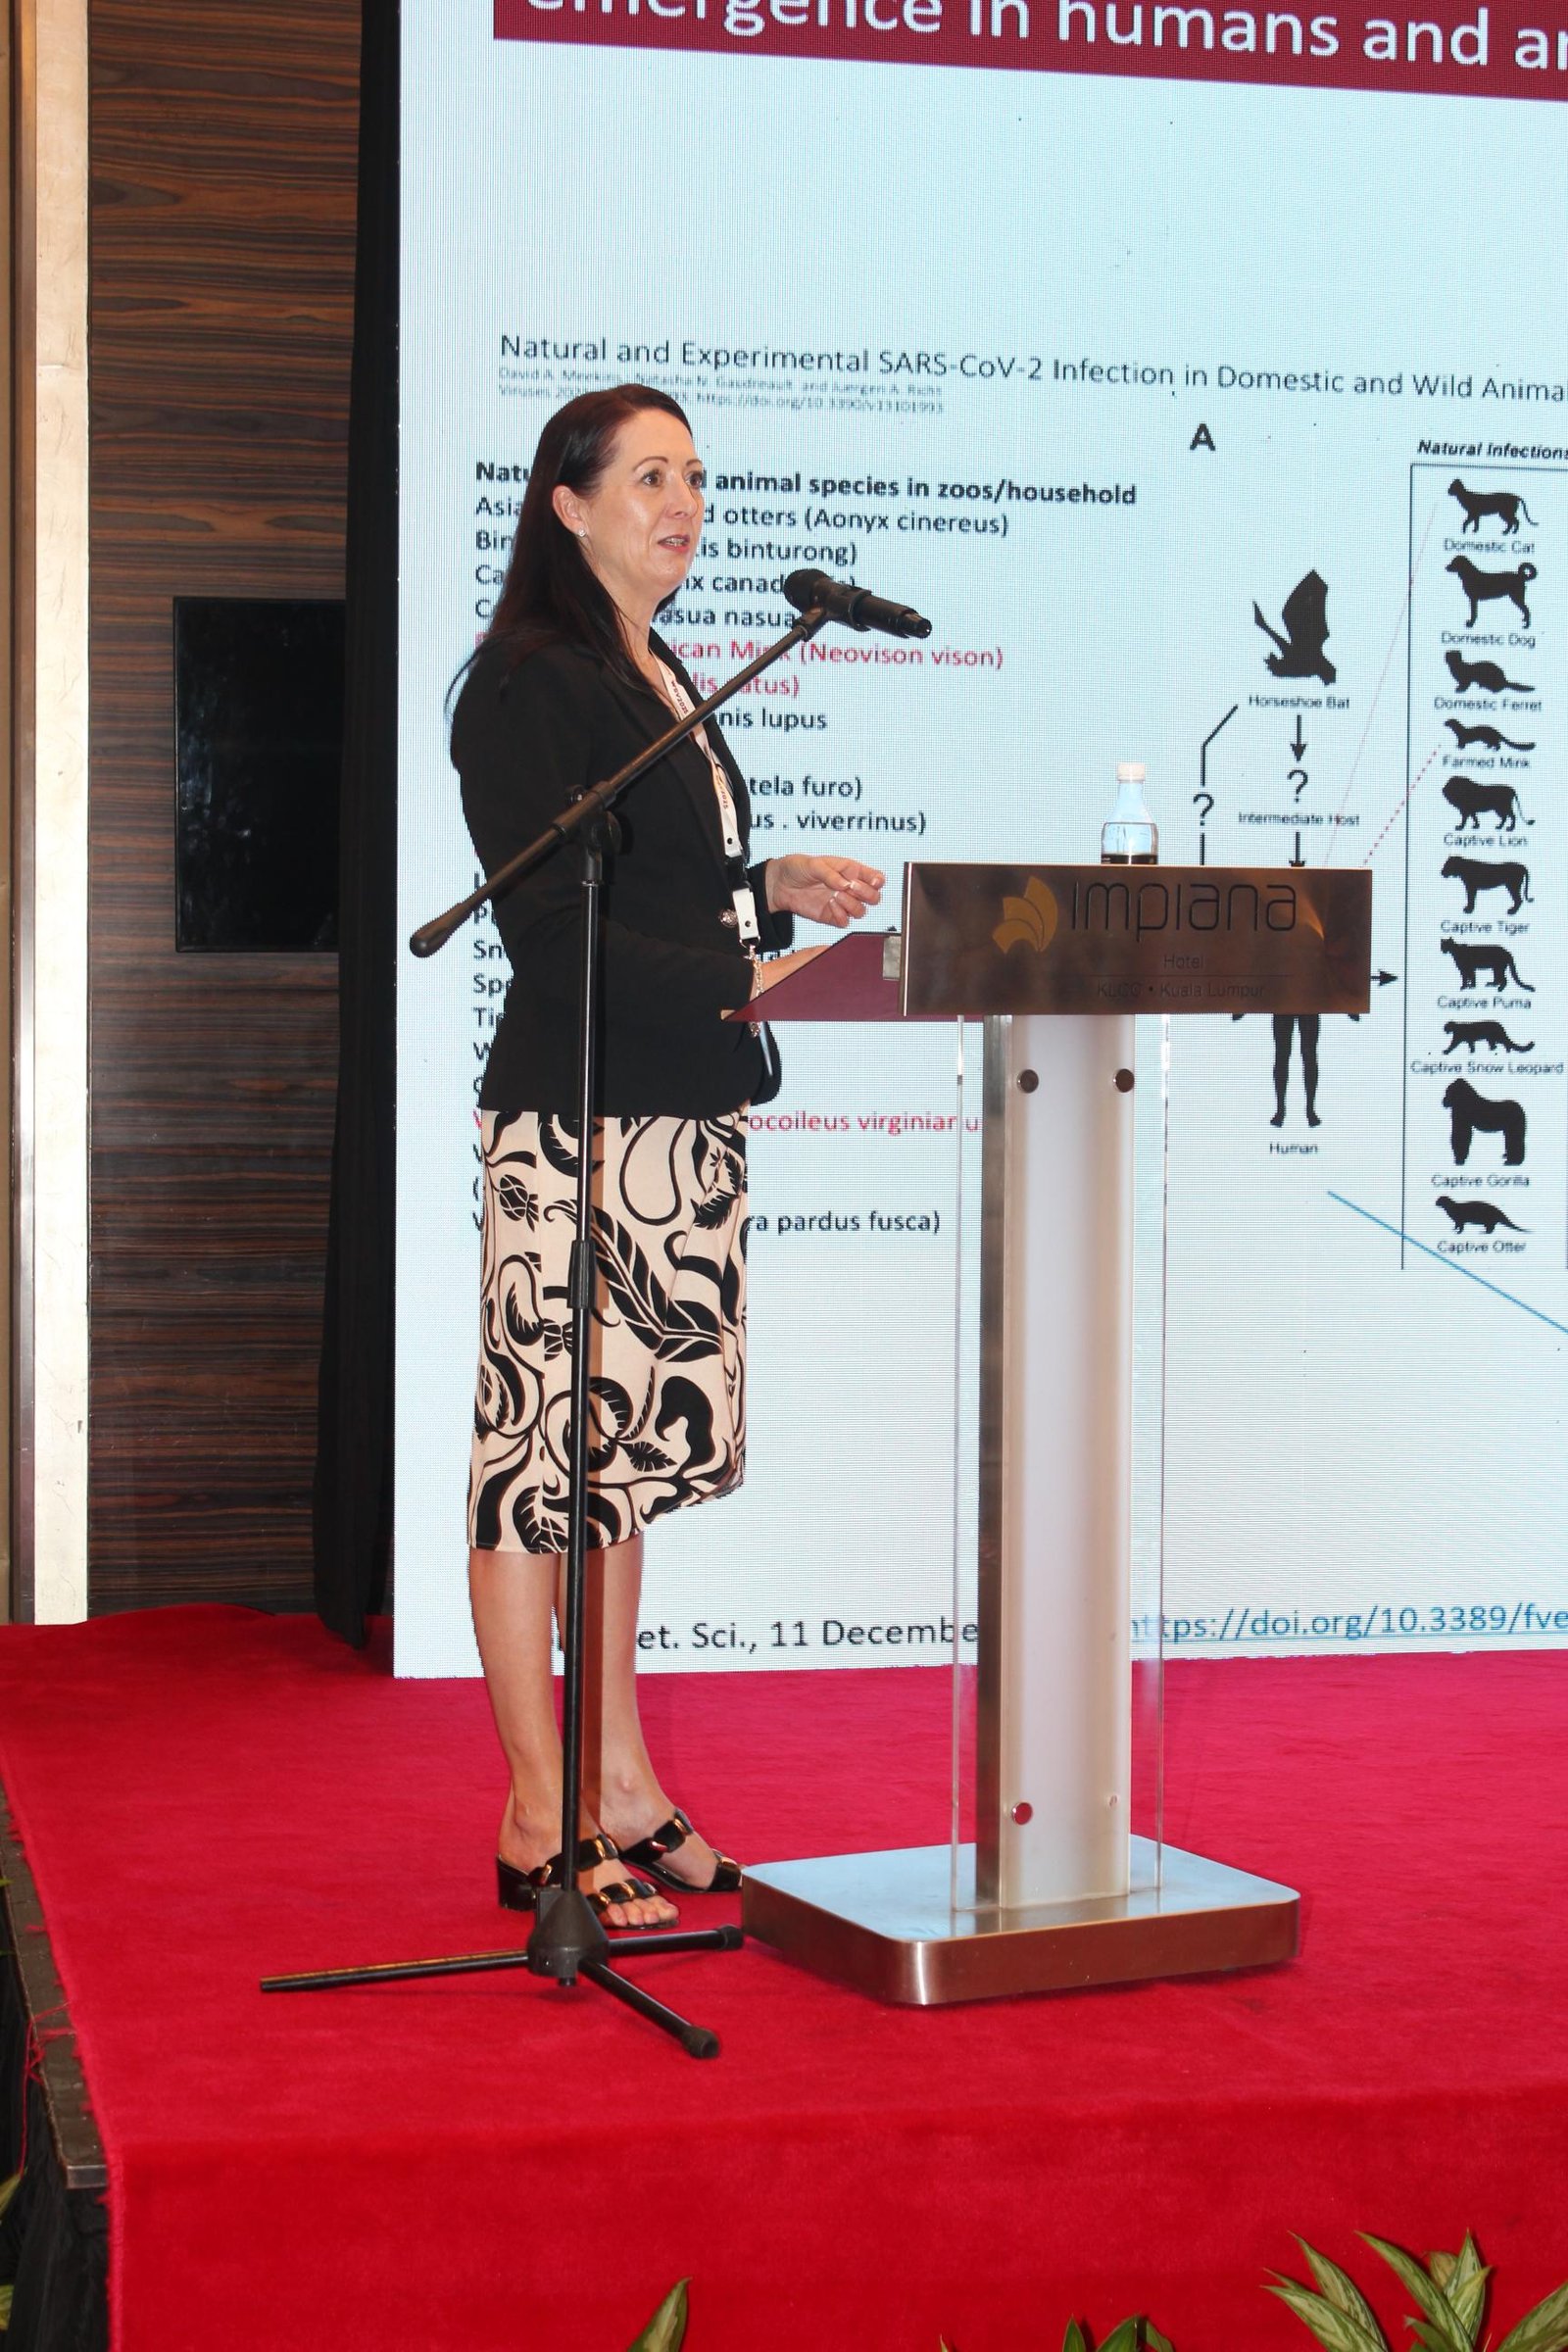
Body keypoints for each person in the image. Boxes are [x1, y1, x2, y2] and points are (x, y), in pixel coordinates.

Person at [452, 385, 884, 1929]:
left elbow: (651, 890)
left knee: (616, 1467)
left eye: (694, 476)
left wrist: (767, 889)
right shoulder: (527, 683)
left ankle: (621, 1785)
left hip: (674, 1120)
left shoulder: (657, 668)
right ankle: (537, 1809)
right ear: (566, 505)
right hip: (577, 1126)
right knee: (539, 1466)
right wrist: (744, 969)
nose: (683, 504)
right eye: (649, 477)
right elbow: (554, 932)